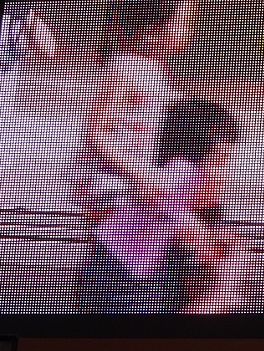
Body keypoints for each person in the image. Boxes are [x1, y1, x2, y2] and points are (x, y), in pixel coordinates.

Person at [75, 0, 198, 312]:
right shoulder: (126, 67)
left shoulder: (156, 69)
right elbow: (96, 133)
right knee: (123, 267)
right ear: (155, 29)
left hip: (143, 192)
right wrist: (137, 173)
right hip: (119, 188)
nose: (188, 29)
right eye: (182, 21)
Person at [80, 97, 246, 314]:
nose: (225, 174)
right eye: (220, 159)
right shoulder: (180, 172)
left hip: (135, 273)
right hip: (117, 274)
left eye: (227, 161)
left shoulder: (195, 189)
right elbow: (157, 192)